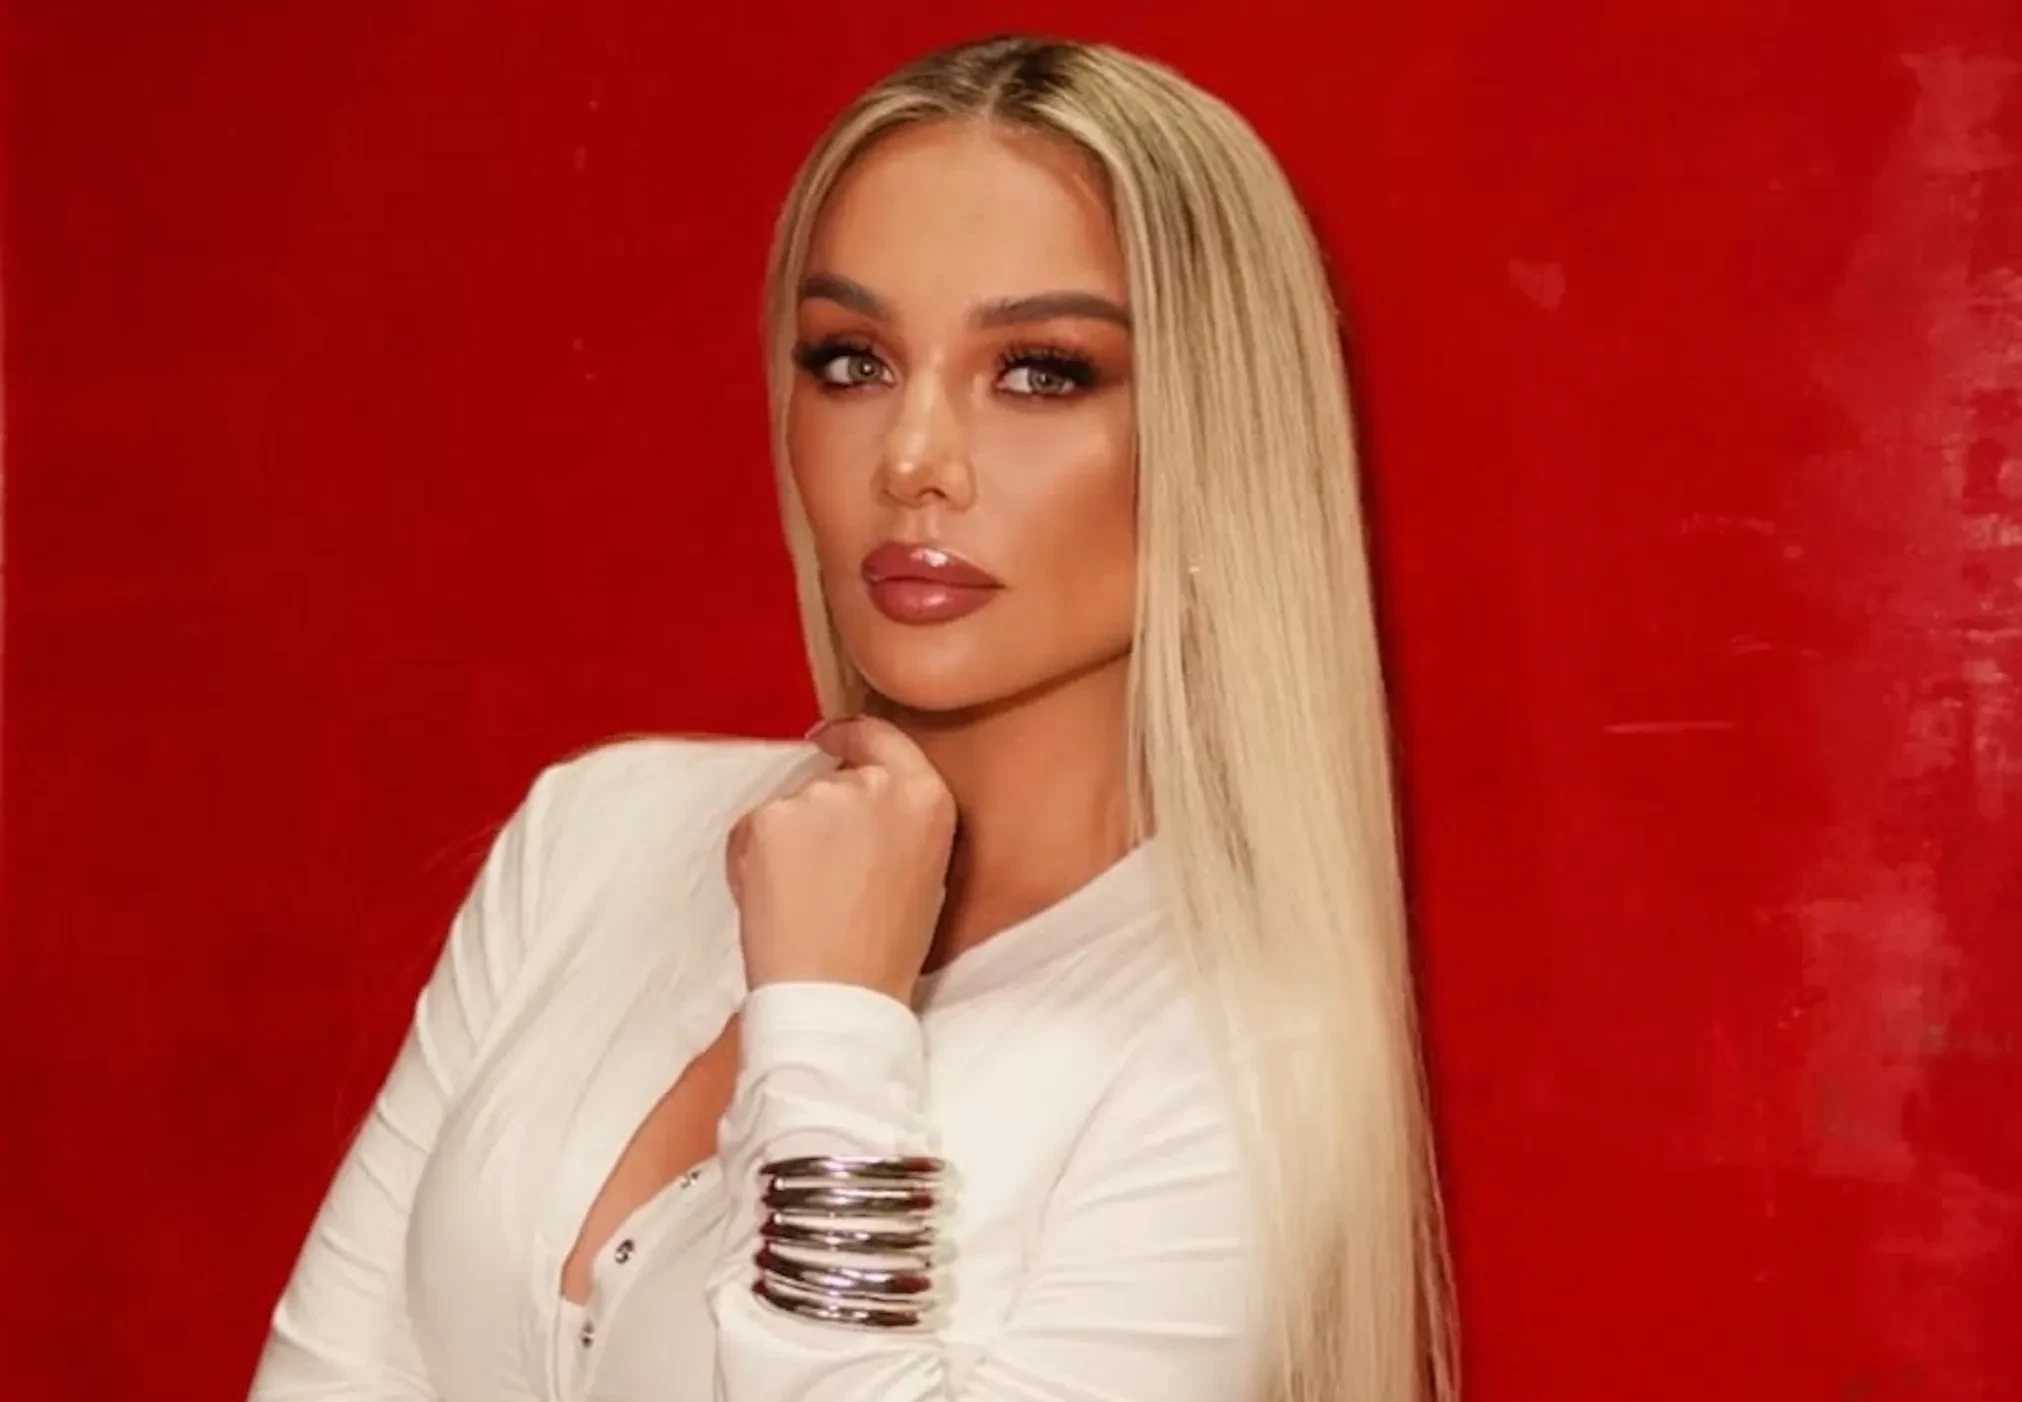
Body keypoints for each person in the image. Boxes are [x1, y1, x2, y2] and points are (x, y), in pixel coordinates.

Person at [249, 32, 1454, 1402]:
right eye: (851, 360)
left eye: (1039, 370)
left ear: (1220, 435)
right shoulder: (590, 837)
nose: (912, 459)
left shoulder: (1246, 1056)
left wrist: (829, 1022)